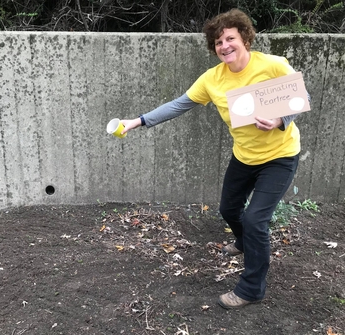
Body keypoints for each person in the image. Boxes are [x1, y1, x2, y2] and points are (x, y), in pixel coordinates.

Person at [120, 8, 303, 309]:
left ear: (244, 37)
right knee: (229, 209)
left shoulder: (272, 65)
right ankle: (246, 245)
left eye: (230, 38)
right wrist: (137, 121)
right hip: (244, 157)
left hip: (280, 156)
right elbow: (179, 105)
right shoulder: (212, 80)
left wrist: (280, 119)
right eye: (218, 42)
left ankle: (251, 288)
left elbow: (300, 99)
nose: (225, 45)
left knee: (256, 219)